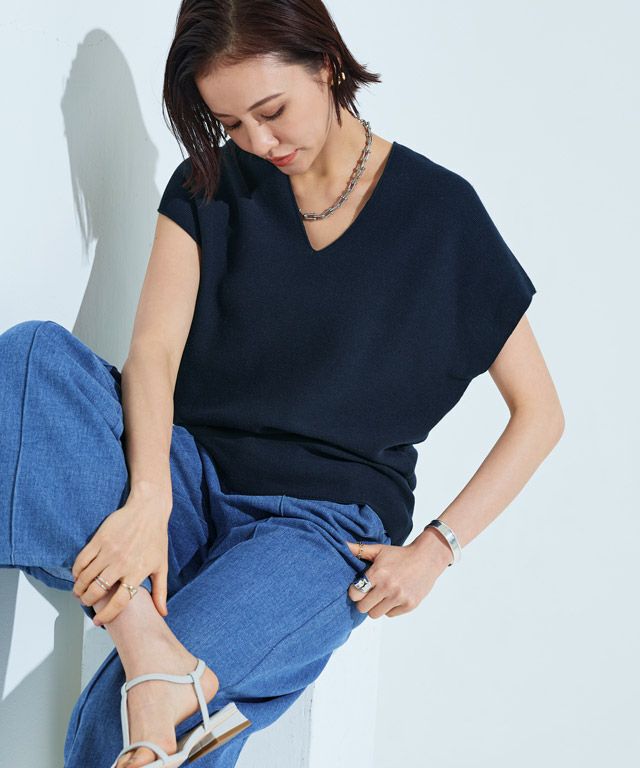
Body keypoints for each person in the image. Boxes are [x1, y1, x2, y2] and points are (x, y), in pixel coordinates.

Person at [0, 1, 564, 767]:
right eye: (231, 124)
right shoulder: (207, 184)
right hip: (184, 483)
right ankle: (144, 636)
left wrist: (438, 547)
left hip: (319, 530)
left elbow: (540, 413)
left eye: (271, 112)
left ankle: (160, 669)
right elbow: (154, 354)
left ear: (325, 65)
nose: (259, 143)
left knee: (126, 726)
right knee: (31, 363)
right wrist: (151, 497)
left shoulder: (441, 214)